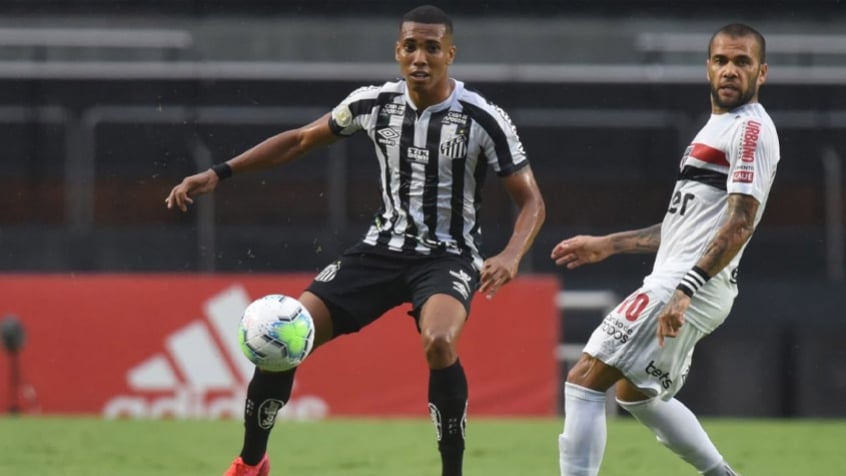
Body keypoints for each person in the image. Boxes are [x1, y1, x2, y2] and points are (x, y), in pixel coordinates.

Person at [165, 5, 545, 476]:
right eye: (411, 46)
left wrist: (511, 255)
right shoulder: (373, 103)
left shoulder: (483, 118)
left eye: (432, 48)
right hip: (381, 249)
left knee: (439, 342)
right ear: (398, 51)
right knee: (285, 334)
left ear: (450, 54)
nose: (420, 57)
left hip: (448, 256)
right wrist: (219, 173)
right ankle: (251, 463)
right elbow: (300, 140)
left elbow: (531, 200)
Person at [551, 24, 778, 476]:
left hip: (689, 282)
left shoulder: (750, 129)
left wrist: (685, 289)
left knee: (584, 380)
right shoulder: (717, 127)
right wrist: (609, 245)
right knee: (636, 394)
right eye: (721, 61)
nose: (730, 70)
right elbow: (683, 227)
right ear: (708, 67)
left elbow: (741, 221)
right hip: (690, 281)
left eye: (742, 62)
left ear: (762, 72)